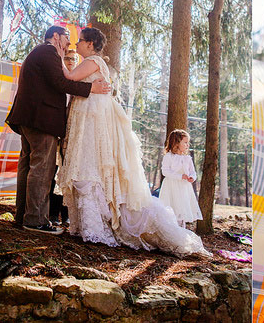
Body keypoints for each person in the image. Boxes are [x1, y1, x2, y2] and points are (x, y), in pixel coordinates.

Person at [57, 27, 208, 256]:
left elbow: (68, 77)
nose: (76, 46)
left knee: (88, 166)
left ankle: (95, 227)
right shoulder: (93, 62)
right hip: (88, 117)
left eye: (80, 42)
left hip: (91, 120)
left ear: (89, 44)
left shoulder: (93, 61)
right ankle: (87, 225)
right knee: (87, 165)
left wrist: (57, 53)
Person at [6, 25, 111, 235]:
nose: (69, 44)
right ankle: (35, 220)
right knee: (42, 169)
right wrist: (91, 88)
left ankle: (23, 216)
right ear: (56, 36)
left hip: (31, 118)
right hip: (40, 120)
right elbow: (59, 82)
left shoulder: (41, 52)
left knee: (27, 167)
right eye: (66, 38)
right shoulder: (48, 51)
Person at [49, 49, 79, 226]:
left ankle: (66, 215)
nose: (70, 61)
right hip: (57, 133)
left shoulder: (77, 83)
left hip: (73, 136)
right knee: (54, 174)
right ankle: (52, 213)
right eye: (66, 58)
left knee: (70, 174)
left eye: (73, 59)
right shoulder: (59, 81)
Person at [159, 129, 203, 228]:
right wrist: (180, 176)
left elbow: (193, 171)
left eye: (188, 143)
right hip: (171, 186)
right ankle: (171, 229)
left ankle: (181, 229)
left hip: (184, 187)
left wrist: (192, 177)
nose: (188, 145)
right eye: (185, 142)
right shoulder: (169, 157)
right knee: (172, 207)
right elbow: (165, 171)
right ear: (177, 143)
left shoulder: (187, 158)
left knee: (182, 208)